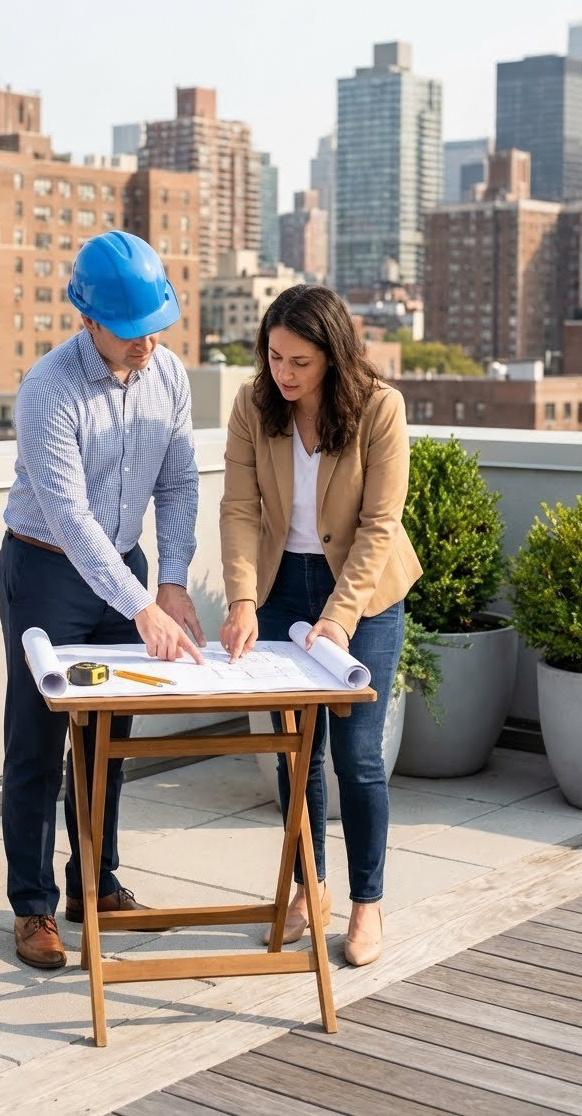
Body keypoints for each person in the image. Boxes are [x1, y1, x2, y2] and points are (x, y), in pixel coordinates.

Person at [0, 231, 205, 970]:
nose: (147, 342)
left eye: (155, 324)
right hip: (48, 567)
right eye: (130, 329)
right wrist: (140, 605)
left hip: (128, 565)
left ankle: (96, 884)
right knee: (37, 740)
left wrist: (170, 580)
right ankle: (33, 905)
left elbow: (179, 482)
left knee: (108, 741)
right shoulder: (48, 389)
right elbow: (71, 521)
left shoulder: (169, 374)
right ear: (87, 319)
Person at [219, 284, 421, 966]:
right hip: (281, 588)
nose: (285, 373)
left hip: (361, 593)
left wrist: (337, 618)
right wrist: (243, 597)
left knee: (358, 757)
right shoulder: (253, 406)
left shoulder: (379, 408)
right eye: (275, 356)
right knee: (292, 751)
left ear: (332, 355)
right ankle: (310, 885)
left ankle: (367, 902)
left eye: (300, 360)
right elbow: (240, 508)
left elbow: (378, 527)